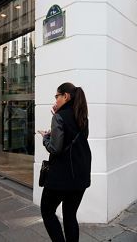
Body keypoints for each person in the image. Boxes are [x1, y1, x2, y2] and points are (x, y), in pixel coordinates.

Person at [39, 82, 92, 242]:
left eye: (57, 96)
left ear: (66, 96)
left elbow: (55, 148)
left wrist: (46, 138)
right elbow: (78, 139)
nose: (55, 100)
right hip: (80, 174)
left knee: (47, 211)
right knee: (70, 215)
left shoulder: (59, 117)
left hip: (61, 177)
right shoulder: (82, 116)